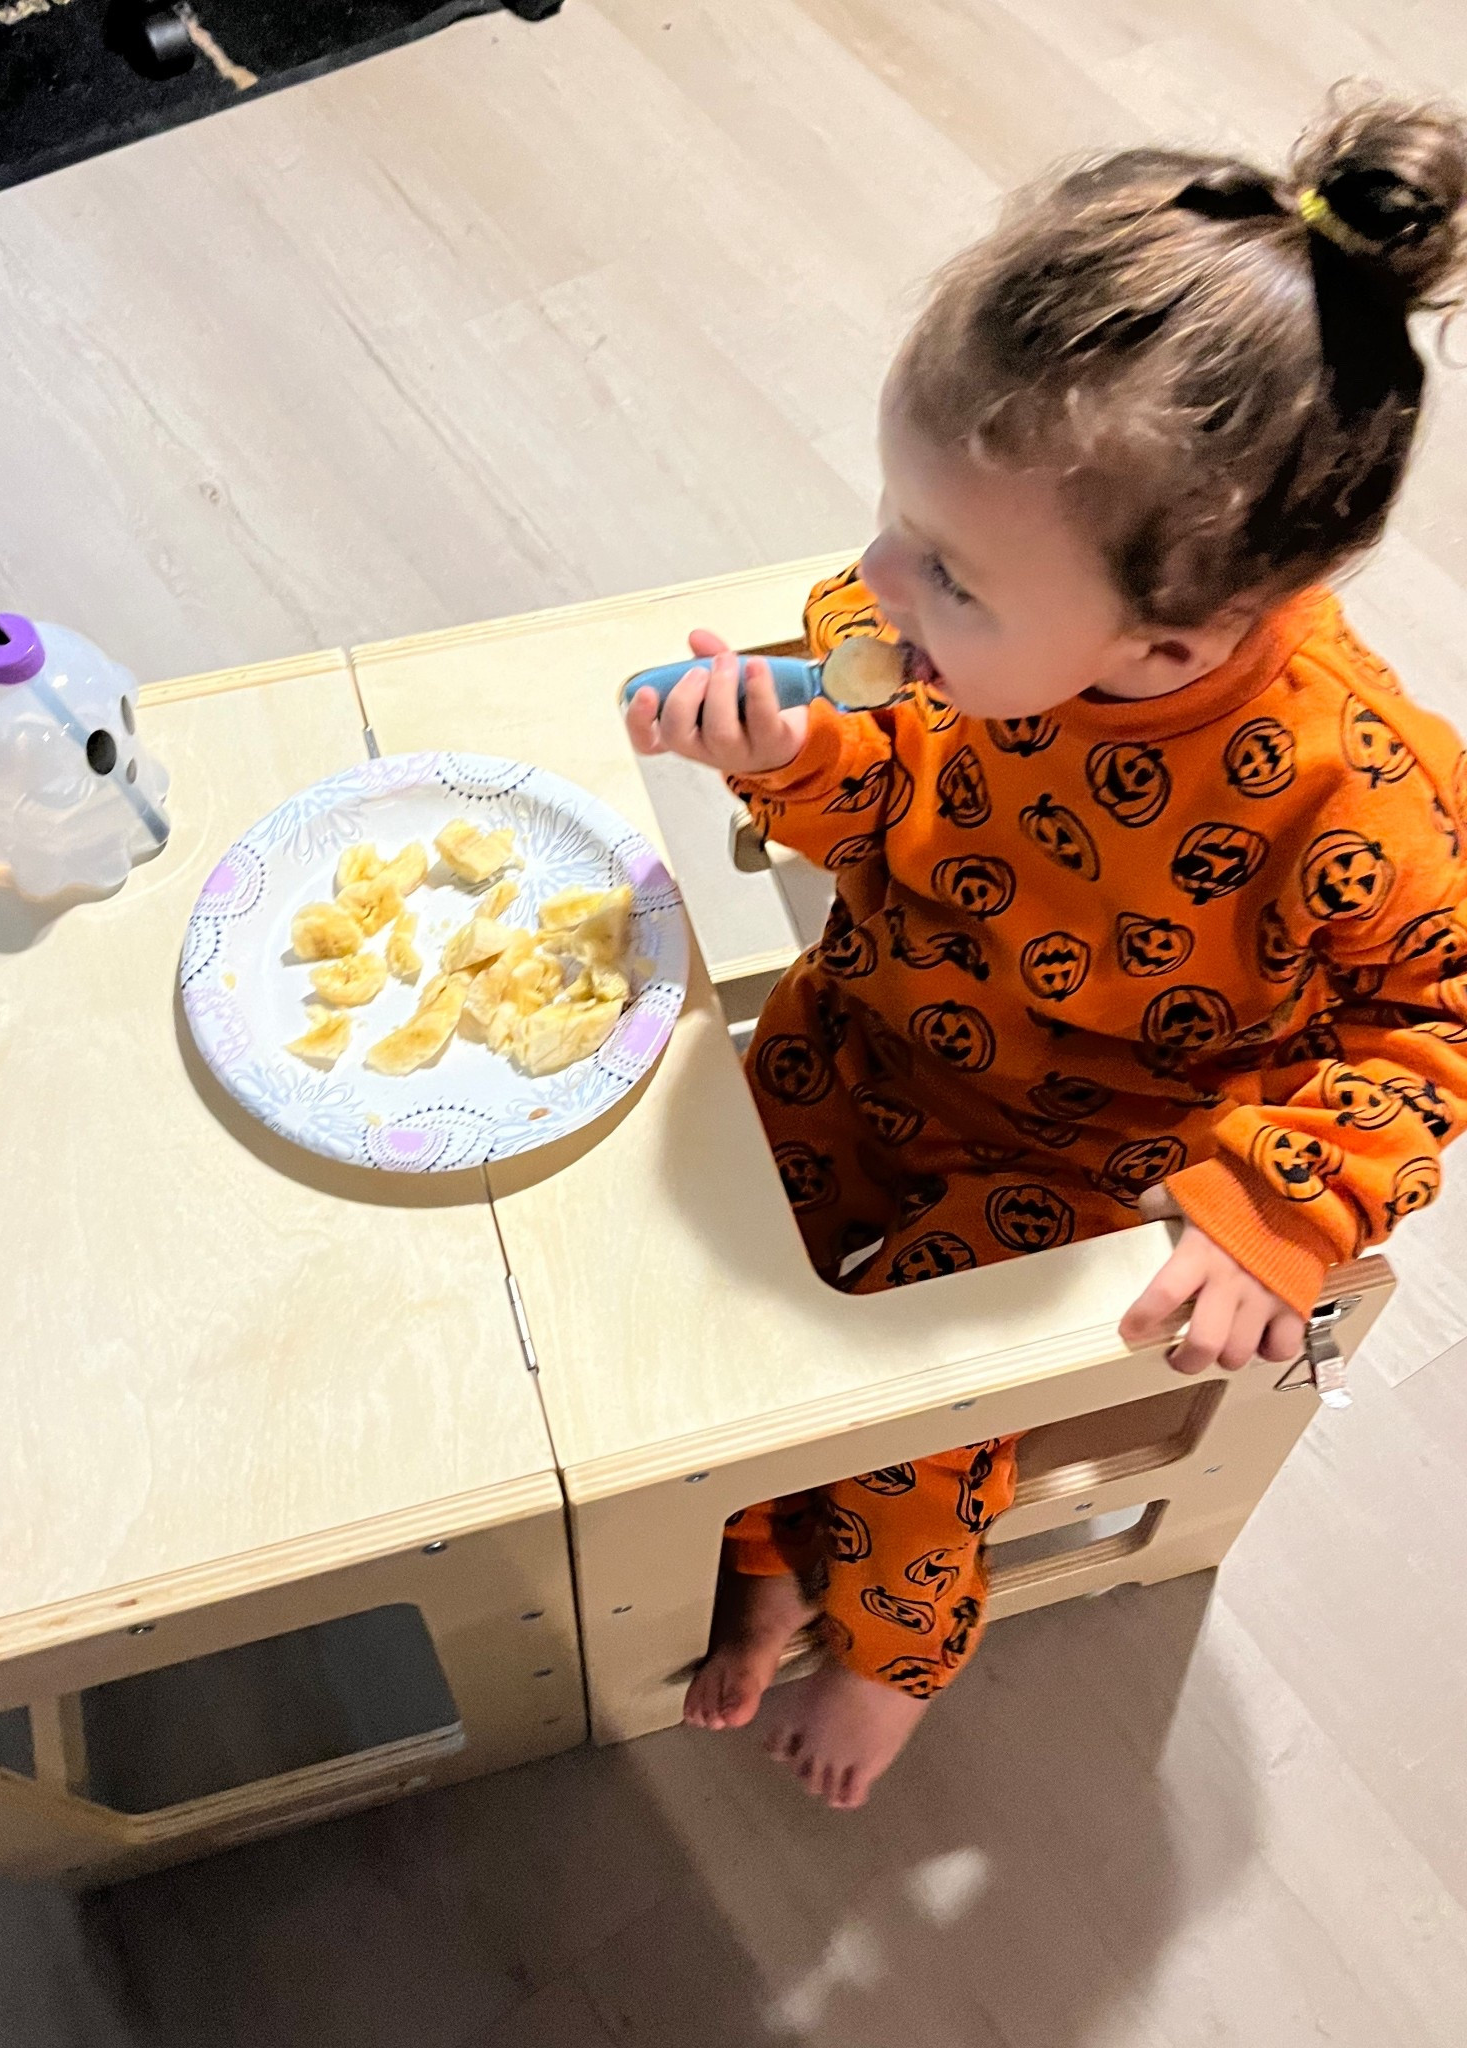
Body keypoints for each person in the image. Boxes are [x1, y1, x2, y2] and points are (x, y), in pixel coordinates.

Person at [625, 89, 1467, 1811]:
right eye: (892, 518)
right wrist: (797, 760)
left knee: (914, 1430)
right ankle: (769, 1538)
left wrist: (1291, 1202)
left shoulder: (1351, 794)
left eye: (944, 572)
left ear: (1172, 646)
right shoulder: (937, 635)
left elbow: (1440, 1011)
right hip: (865, 1019)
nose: (869, 581)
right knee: (692, 1269)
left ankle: (891, 1650)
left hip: (1070, 1161)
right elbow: (894, 800)